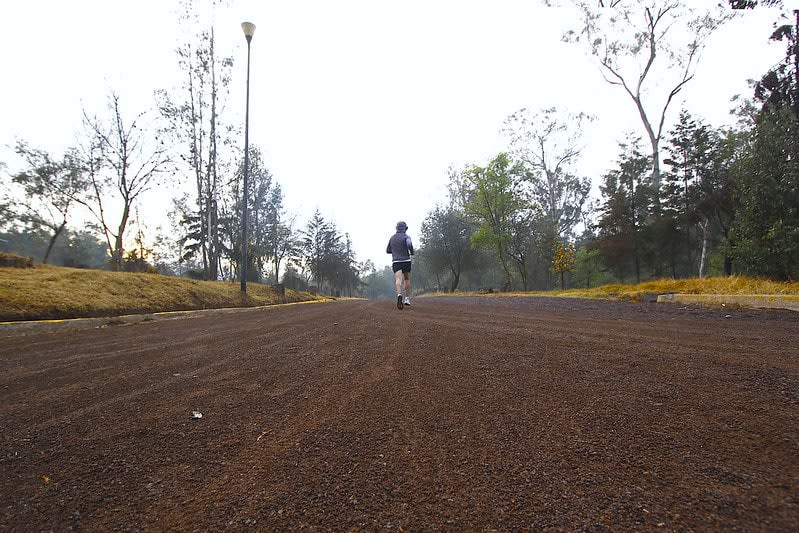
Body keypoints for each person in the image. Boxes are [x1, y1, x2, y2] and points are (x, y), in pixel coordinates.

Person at [386, 221, 414, 309]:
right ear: (405, 228)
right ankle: (407, 299)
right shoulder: (406, 236)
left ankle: (399, 295)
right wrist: (411, 252)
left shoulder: (392, 238)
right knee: (407, 279)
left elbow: (388, 250)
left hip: (396, 261)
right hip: (406, 260)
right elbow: (409, 244)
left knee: (398, 279)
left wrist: (395, 251)